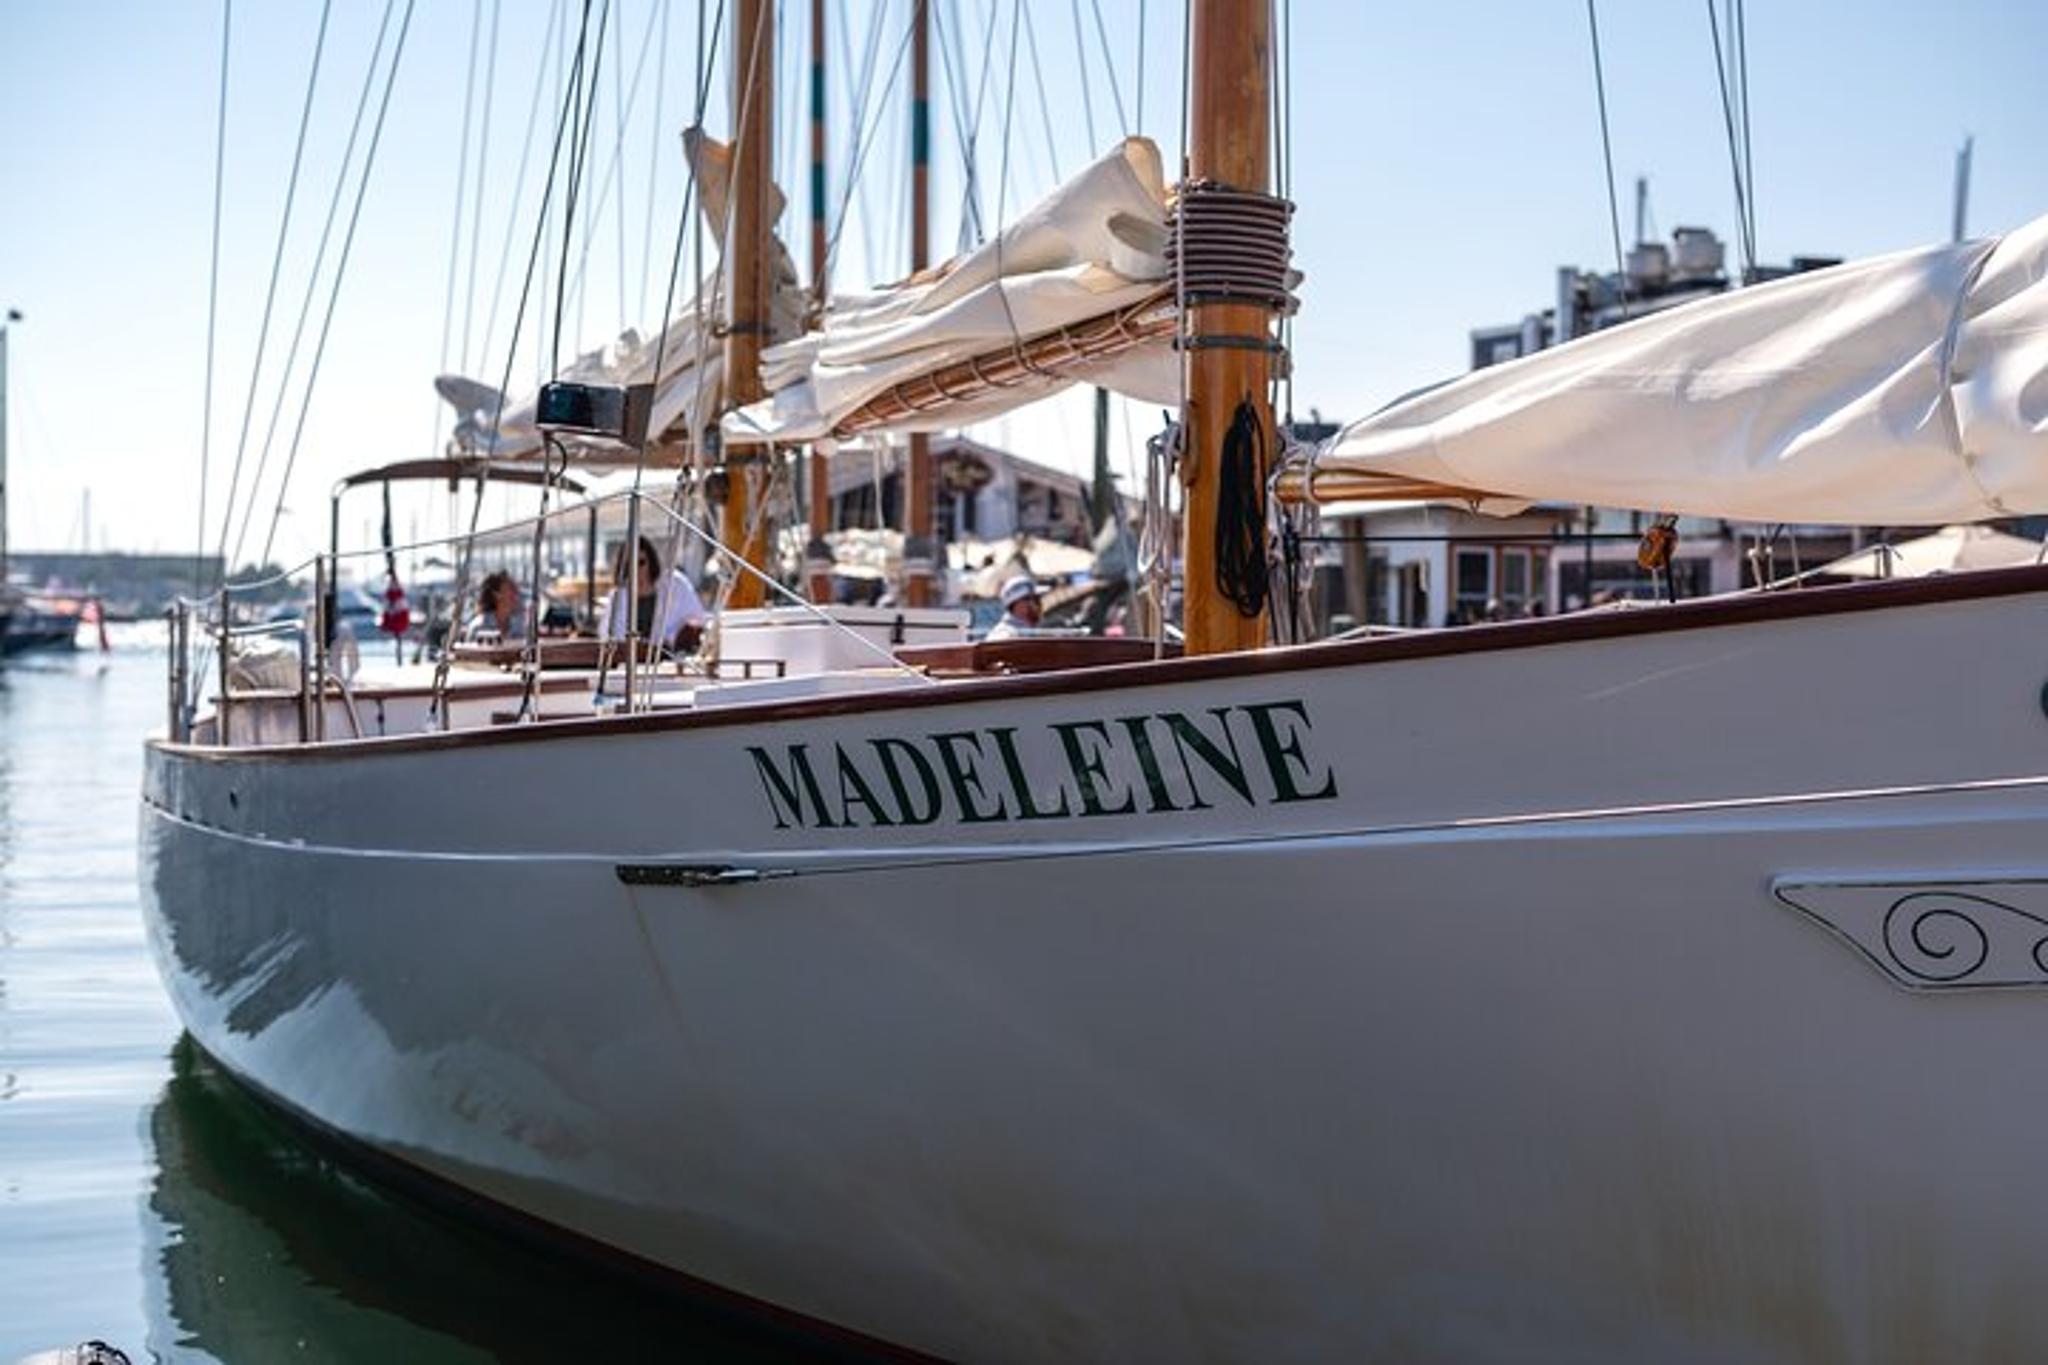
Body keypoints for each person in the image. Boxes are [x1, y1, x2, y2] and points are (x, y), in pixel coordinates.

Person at [602, 536, 707, 654]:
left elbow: (698, 618)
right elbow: (606, 634)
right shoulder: (617, 597)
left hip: (669, 659)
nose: (635, 569)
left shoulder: (676, 585)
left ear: (651, 562)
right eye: (628, 564)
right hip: (626, 663)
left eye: (641, 563)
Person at [468, 570, 526, 642]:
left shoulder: (518, 625)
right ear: (496, 595)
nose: (516, 594)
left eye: (516, 590)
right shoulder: (479, 626)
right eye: (511, 589)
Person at [984, 574, 1042, 641]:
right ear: (1016, 604)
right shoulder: (1005, 634)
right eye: (1033, 599)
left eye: (1038, 599)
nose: (1038, 604)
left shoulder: (1032, 631)